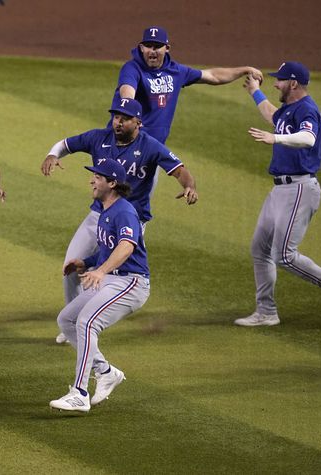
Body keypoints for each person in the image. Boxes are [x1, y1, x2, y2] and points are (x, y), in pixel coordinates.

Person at [42, 98, 197, 343]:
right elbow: (65, 144)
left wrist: (190, 186)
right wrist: (52, 155)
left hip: (130, 220)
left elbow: (179, 169)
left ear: (138, 122)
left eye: (124, 118)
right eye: (116, 117)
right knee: (71, 267)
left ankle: (94, 321)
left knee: (117, 274)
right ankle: (74, 325)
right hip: (98, 216)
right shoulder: (98, 138)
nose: (118, 122)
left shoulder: (150, 146)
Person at [235, 61, 321, 326]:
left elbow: (308, 139)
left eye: (280, 80)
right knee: (260, 248)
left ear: (294, 83)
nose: (275, 83)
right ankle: (266, 312)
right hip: (280, 189)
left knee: (284, 255)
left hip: (299, 188)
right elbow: (272, 116)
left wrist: (275, 139)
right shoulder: (289, 110)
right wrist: (255, 91)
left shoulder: (307, 109)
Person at [49, 160, 151, 413]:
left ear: (112, 183)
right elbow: (108, 249)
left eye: (97, 177)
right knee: (67, 319)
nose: (92, 181)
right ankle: (105, 372)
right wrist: (85, 262)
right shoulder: (107, 210)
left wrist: (101, 271)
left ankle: (79, 393)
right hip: (114, 279)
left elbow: (127, 246)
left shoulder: (124, 211)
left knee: (87, 322)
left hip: (131, 282)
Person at [115, 26, 263, 144]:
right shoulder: (132, 68)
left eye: (157, 46)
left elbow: (213, 76)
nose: (152, 51)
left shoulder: (176, 71)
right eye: (148, 46)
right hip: (126, 143)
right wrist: (130, 112)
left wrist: (245, 70)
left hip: (153, 148)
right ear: (141, 47)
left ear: (167, 48)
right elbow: (127, 96)